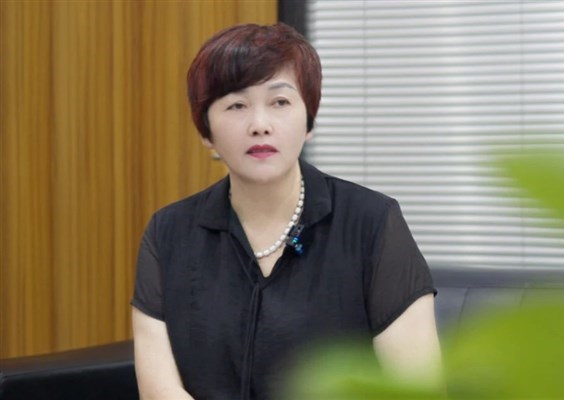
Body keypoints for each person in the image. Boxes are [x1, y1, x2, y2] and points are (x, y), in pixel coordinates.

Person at [131, 23, 441, 400]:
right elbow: (160, 390)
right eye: (236, 105)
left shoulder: (372, 223)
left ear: (308, 121)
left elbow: (415, 389)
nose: (260, 125)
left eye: (280, 102)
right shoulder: (169, 233)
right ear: (205, 132)